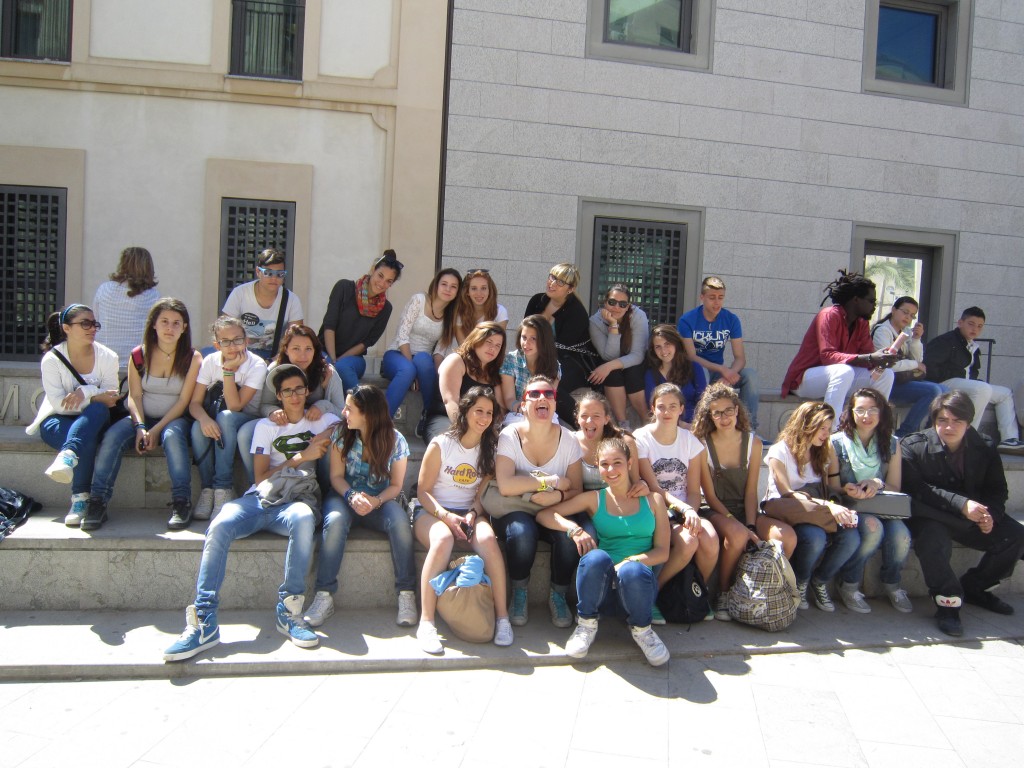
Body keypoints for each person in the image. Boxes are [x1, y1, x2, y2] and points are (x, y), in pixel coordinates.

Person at [163, 365, 339, 661]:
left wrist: (328, 421)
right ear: (279, 396)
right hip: (262, 498)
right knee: (219, 525)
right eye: (287, 391)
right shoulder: (266, 426)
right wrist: (301, 457)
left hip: (296, 500)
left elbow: (347, 422)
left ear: (307, 391)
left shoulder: (322, 419)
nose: (294, 396)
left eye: (299, 389)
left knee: (304, 519)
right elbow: (260, 478)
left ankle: (290, 612)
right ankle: (204, 620)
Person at [537, 437, 671, 666]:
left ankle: (643, 630)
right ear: (598, 468)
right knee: (595, 557)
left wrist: (630, 561)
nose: (610, 470)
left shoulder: (654, 500)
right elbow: (545, 515)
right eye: (604, 464)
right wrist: (573, 528)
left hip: (638, 587)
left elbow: (662, 552)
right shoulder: (594, 498)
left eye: (617, 462)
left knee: (633, 571)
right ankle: (586, 624)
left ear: (629, 464)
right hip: (602, 589)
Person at [901, 390, 1024, 636]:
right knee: (933, 543)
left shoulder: (985, 446)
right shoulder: (913, 446)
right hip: (931, 515)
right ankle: (948, 604)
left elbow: (997, 490)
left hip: (971, 517)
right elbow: (918, 490)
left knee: (1016, 535)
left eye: (957, 421)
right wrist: (962, 504)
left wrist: (991, 516)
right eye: (943, 421)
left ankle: (977, 588)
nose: (949, 427)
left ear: (968, 423)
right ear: (934, 421)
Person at [304, 385, 417, 628]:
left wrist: (375, 501)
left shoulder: (395, 441)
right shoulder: (342, 434)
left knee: (399, 523)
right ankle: (324, 595)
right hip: (345, 496)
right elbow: (336, 477)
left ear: (368, 413)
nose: (344, 413)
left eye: (349, 408)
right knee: (334, 521)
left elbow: (396, 485)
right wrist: (352, 496)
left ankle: (406, 594)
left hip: (381, 499)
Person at [412, 386, 513, 653]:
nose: (484, 417)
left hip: (468, 513)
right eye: (478, 410)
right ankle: (427, 621)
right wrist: (445, 516)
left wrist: (471, 513)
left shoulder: (490, 449)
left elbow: (481, 496)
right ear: (466, 411)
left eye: (489, 413)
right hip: (433, 511)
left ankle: (502, 617)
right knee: (443, 539)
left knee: (489, 539)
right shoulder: (441, 443)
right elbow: (422, 492)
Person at [482, 374, 586, 628]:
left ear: (555, 403)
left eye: (548, 394)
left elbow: (576, 489)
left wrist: (558, 495)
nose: (543, 398)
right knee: (521, 532)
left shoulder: (569, 439)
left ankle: (558, 594)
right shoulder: (510, 435)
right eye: (535, 395)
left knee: (567, 537)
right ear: (523, 404)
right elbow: (506, 485)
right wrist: (550, 481)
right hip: (516, 509)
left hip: (553, 509)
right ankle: (519, 592)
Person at [90, 298, 202, 530]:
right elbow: (135, 396)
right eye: (164, 322)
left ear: (184, 327)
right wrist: (141, 427)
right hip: (141, 416)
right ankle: (97, 501)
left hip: (175, 419)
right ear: (153, 324)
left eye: (176, 323)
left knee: (172, 437)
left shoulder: (193, 358)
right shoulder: (138, 355)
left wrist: (156, 430)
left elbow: (184, 401)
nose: (170, 328)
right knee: (112, 437)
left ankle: (182, 501)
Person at [762, 402, 860, 611]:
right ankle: (800, 581)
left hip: (817, 510)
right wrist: (828, 506)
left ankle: (820, 580)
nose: (827, 434)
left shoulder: (824, 450)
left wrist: (848, 489)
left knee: (852, 537)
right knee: (815, 537)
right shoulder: (780, 450)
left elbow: (829, 487)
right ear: (806, 425)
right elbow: (787, 492)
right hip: (789, 511)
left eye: (829, 428)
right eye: (822, 428)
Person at [28, 305, 119, 528]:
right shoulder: (52, 359)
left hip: (95, 419)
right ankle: (80, 497)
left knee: (95, 414)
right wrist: (94, 397)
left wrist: (84, 393)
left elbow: (112, 398)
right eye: (85, 323)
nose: (92, 328)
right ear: (66, 328)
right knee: (83, 435)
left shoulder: (108, 356)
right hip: (56, 420)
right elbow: (59, 405)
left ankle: (71, 467)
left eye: (94, 323)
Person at [691, 382, 773, 620]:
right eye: (717, 412)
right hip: (714, 508)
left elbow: (750, 492)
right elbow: (710, 494)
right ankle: (724, 593)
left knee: (785, 537)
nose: (724, 417)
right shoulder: (703, 444)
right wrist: (735, 524)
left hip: (744, 508)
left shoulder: (753, 443)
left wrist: (750, 525)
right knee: (736, 535)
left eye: (728, 410)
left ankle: (767, 593)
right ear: (710, 416)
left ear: (737, 410)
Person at [635, 383, 720, 611]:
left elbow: (693, 490)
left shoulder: (690, 441)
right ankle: (654, 592)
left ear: (682, 409)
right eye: (661, 407)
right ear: (652, 408)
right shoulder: (641, 439)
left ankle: (695, 590)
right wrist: (686, 511)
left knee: (710, 540)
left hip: (684, 508)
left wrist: (689, 514)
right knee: (689, 542)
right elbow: (655, 488)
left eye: (673, 406)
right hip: (656, 509)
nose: (667, 412)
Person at [827, 388, 911, 613]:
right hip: (851, 505)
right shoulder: (836, 443)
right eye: (860, 410)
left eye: (873, 409)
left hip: (881, 503)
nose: (867, 415)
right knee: (873, 529)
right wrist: (847, 489)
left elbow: (895, 486)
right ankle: (849, 584)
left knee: (901, 535)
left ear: (882, 412)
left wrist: (877, 483)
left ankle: (892, 584)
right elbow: (831, 488)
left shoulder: (892, 443)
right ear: (851, 413)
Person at [781, 270, 896, 423]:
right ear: (856, 299)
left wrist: (881, 359)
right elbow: (827, 356)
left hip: (840, 378)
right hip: (803, 380)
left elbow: (867, 357)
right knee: (844, 371)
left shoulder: (861, 323)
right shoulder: (829, 315)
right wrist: (869, 358)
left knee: (886, 374)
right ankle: (832, 430)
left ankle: (874, 428)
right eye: (870, 301)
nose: (874, 306)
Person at [237, 324, 345, 483]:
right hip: (284, 423)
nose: (303, 355)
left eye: (308, 348)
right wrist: (273, 412)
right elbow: (264, 404)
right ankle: (256, 484)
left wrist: (322, 405)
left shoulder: (326, 372)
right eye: (296, 348)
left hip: (316, 426)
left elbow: (342, 412)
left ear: (315, 350)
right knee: (246, 432)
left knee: (334, 439)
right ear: (286, 349)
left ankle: (325, 488)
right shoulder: (276, 369)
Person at [189, 317, 268, 522]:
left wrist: (228, 372)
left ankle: (224, 488)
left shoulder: (256, 364)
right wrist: (205, 420)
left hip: (248, 417)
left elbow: (236, 406)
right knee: (198, 428)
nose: (232, 346)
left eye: (237, 340)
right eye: (225, 341)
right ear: (216, 344)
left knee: (225, 417)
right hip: (218, 417)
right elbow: (194, 403)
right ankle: (208, 488)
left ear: (247, 341)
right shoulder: (210, 361)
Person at [923, 307, 1024, 454]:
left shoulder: (973, 346)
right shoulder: (945, 341)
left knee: (1004, 393)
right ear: (960, 323)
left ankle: (1009, 440)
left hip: (965, 384)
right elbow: (930, 366)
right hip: (943, 383)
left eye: (979, 326)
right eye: (971, 324)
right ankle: (967, 435)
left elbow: (973, 373)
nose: (975, 329)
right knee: (982, 389)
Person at [380, 268, 461, 434]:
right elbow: (402, 335)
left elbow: (439, 352)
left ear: (457, 291)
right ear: (436, 285)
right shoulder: (419, 300)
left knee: (424, 358)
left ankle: (428, 414)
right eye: (444, 284)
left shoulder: (451, 316)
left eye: (453, 286)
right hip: (397, 354)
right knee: (408, 369)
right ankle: (381, 421)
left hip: (421, 361)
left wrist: (439, 378)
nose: (448, 289)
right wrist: (413, 373)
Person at [677, 276, 760, 430]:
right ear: (702, 297)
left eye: (720, 298)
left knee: (751, 376)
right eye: (712, 298)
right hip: (694, 371)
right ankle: (702, 425)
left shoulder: (731, 319)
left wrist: (729, 375)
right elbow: (691, 356)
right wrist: (723, 369)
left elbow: (740, 358)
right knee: (702, 371)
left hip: (718, 373)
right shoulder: (687, 320)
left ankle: (749, 429)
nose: (717, 302)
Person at [524, 263, 601, 428]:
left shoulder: (576, 312)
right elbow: (526, 330)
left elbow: (560, 350)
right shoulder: (537, 301)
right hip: (538, 354)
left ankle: (581, 423)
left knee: (550, 385)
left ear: (570, 289)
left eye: (560, 282)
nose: (552, 283)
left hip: (571, 361)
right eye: (552, 277)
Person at [320, 250, 401, 392]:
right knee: (324, 368)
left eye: (389, 281)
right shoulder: (344, 288)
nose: (382, 283)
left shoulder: (386, 309)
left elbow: (367, 342)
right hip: (324, 351)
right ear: (372, 270)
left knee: (342, 367)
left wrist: (339, 361)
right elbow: (329, 325)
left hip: (353, 359)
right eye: (380, 276)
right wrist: (332, 360)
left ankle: (361, 408)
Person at [872, 296, 947, 437]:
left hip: (903, 380)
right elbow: (887, 364)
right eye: (905, 312)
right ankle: (905, 433)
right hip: (887, 383)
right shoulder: (883, 331)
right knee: (932, 391)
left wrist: (916, 340)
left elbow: (918, 361)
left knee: (945, 391)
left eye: (912, 315)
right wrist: (915, 364)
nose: (908, 317)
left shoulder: (905, 332)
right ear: (894, 310)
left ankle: (932, 431)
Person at [426, 322, 506, 442]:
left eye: (497, 346)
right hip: (447, 419)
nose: (492, 349)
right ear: (476, 339)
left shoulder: (494, 372)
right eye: (488, 342)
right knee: (453, 444)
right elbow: (451, 401)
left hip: (482, 425)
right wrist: (468, 430)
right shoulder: (456, 361)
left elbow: (500, 409)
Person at [221, 248, 304, 360]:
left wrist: (279, 359)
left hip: (276, 355)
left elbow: (296, 337)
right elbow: (225, 328)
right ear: (258, 272)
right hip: (241, 353)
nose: (274, 278)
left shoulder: (292, 300)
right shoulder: (240, 293)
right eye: (268, 273)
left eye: (280, 274)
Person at [588, 284, 650, 427]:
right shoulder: (595, 322)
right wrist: (613, 326)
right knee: (612, 373)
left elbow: (637, 355)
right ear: (605, 302)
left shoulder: (638, 316)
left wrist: (607, 367)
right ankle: (623, 425)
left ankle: (646, 419)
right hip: (613, 362)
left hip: (635, 363)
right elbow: (609, 356)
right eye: (612, 302)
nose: (616, 307)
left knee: (632, 372)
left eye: (622, 304)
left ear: (628, 306)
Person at [93, 246, 161, 363]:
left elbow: (96, 319)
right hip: (137, 363)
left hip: (103, 360)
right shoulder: (153, 296)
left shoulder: (105, 289)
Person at [572, 390, 643, 493]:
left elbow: (635, 483)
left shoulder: (625, 442)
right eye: (584, 416)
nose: (589, 421)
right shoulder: (571, 442)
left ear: (606, 419)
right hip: (584, 502)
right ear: (577, 418)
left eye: (596, 416)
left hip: (620, 501)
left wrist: (642, 485)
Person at [499, 314, 561, 423]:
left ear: (544, 340)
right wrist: (523, 409)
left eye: (533, 338)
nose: (526, 343)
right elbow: (509, 399)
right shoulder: (510, 360)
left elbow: (550, 398)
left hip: (543, 412)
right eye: (524, 337)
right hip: (517, 413)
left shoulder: (554, 365)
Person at [643, 324, 707, 426]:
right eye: (658, 347)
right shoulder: (650, 374)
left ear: (676, 344)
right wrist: (680, 424)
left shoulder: (694, 368)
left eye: (667, 344)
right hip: (667, 426)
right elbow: (653, 408)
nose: (663, 351)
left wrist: (693, 426)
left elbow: (703, 402)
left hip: (695, 425)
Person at [439, 268, 508, 355]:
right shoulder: (459, 313)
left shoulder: (500, 312)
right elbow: (463, 347)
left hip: (491, 359)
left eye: (483, 288)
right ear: (467, 291)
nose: (479, 293)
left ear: (489, 290)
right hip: (468, 358)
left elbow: (497, 346)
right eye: (474, 288)